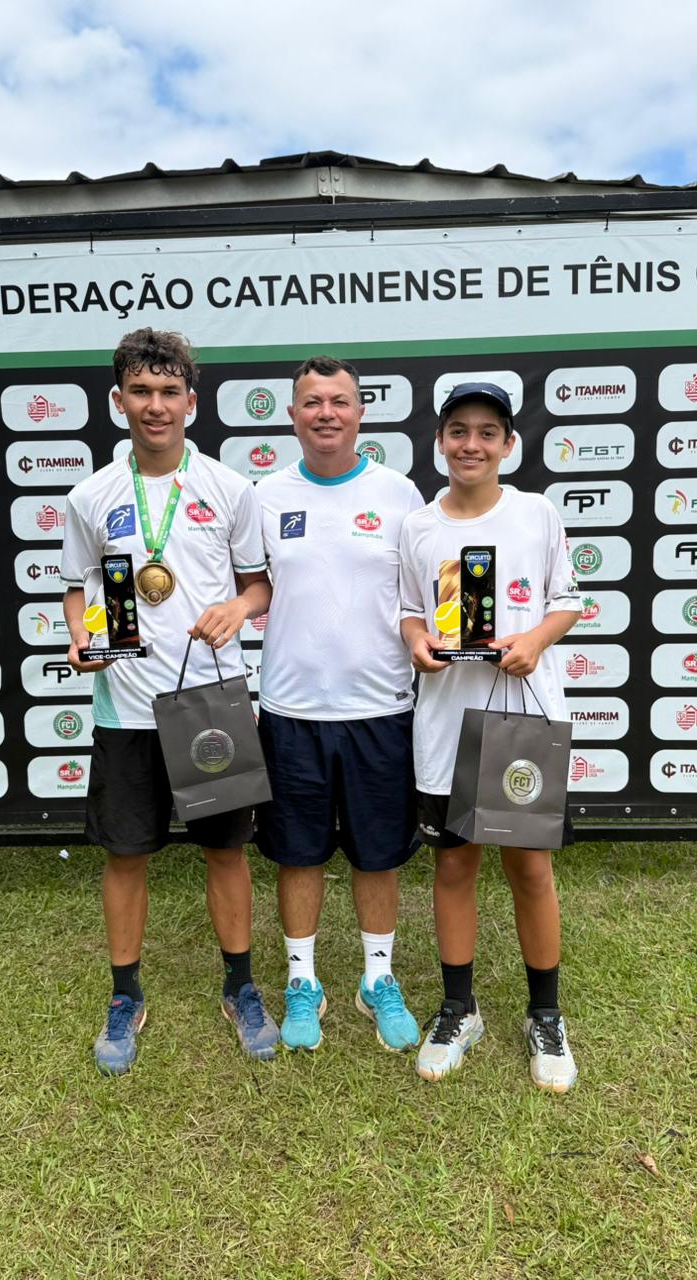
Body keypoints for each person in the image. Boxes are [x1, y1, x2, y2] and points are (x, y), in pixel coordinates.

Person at [61, 327, 279, 1075]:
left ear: (192, 400)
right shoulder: (89, 495)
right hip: (125, 703)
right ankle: (125, 994)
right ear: (117, 400)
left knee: (225, 849)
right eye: (141, 391)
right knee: (126, 855)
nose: (155, 405)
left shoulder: (229, 488)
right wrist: (79, 636)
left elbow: (259, 586)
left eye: (168, 391)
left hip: (209, 701)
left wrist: (238, 609)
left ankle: (240, 985)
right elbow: (78, 588)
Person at [399, 381, 582, 1090]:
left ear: (509, 443)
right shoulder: (418, 526)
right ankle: (459, 1008)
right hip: (446, 724)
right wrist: (417, 642)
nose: (470, 444)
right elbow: (411, 612)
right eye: (458, 431)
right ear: (439, 441)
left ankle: (545, 1015)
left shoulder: (536, 513)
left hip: (523, 723)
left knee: (530, 868)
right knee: (454, 867)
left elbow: (567, 600)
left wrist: (534, 640)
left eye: (485, 432)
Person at [254, 355, 423, 1053]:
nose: (326, 413)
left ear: (360, 413)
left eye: (340, 401)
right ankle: (304, 981)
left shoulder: (399, 493)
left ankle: (377, 978)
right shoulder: (265, 496)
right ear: (292, 414)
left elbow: (421, 597)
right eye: (313, 402)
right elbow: (249, 587)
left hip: (380, 707)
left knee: (376, 853)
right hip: (291, 708)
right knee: (298, 853)